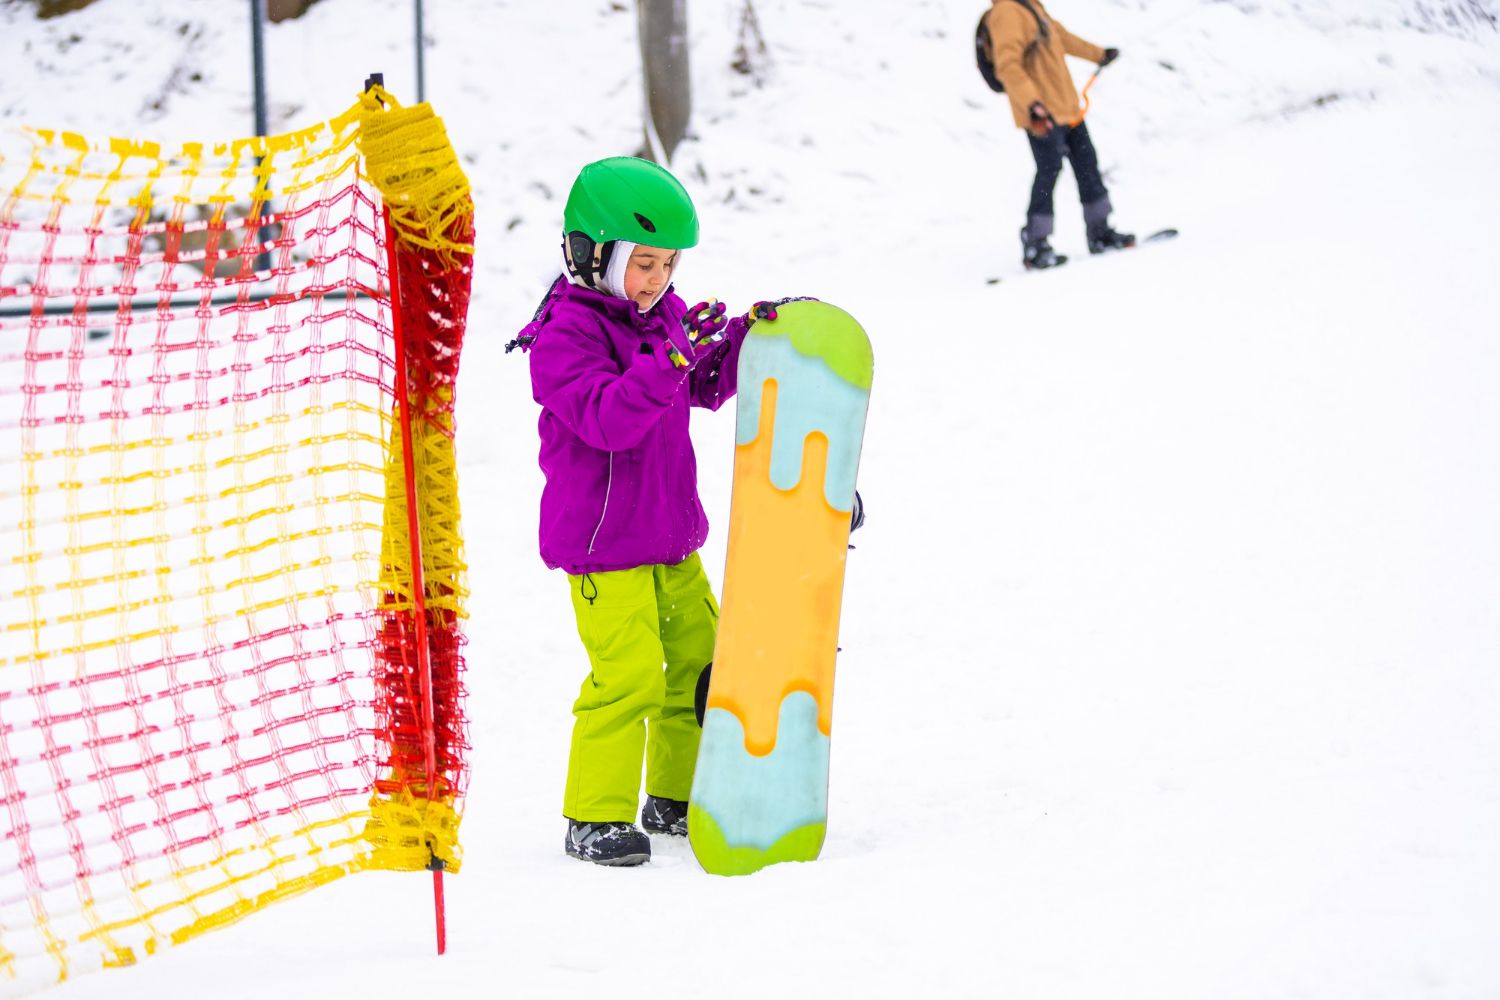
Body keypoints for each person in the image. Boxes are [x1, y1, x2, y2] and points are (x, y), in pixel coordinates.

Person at [514, 155, 762, 867]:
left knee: (697, 663)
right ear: (592, 254)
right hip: (602, 545)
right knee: (630, 677)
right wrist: (671, 361)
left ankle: (674, 797)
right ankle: (593, 816)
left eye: (668, 266)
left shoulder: (664, 319)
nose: (658, 282)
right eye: (644, 264)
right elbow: (607, 420)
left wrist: (742, 340)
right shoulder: (563, 337)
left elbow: (698, 387)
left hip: (667, 535)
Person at [985, 0, 1134, 269]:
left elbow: (1063, 39)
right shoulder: (1006, 12)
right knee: (1049, 170)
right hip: (1041, 113)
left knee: (1087, 164)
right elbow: (1008, 66)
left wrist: (1099, 55)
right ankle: (1036, 244)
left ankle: (1100, 232)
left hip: (1066, 107)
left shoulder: (1031, 7)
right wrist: (1033, 104)